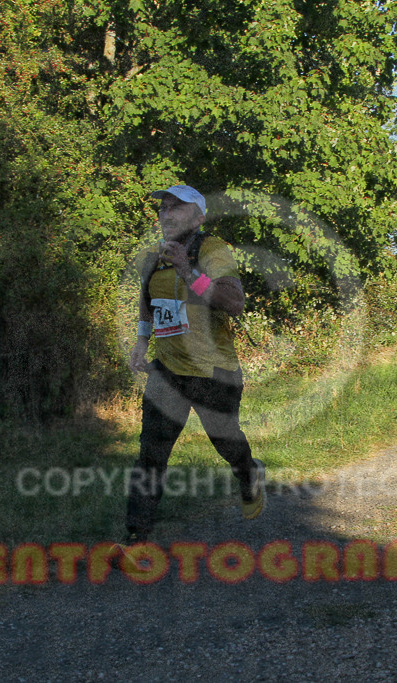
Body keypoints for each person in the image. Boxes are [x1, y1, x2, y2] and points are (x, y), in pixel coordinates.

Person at [120, 184, 265, 548]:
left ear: (199, 217)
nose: (166, 213)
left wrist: (188, 271)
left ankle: (249, 475)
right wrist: (141, 341)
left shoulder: (212, 251)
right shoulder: (155, 257)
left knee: (226, 442)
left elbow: (233, 302)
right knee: (151, 453)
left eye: (177, 207)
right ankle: (138, 540)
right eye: (163, 207)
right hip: (167, 371)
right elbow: (148, 301)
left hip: (213, 371)